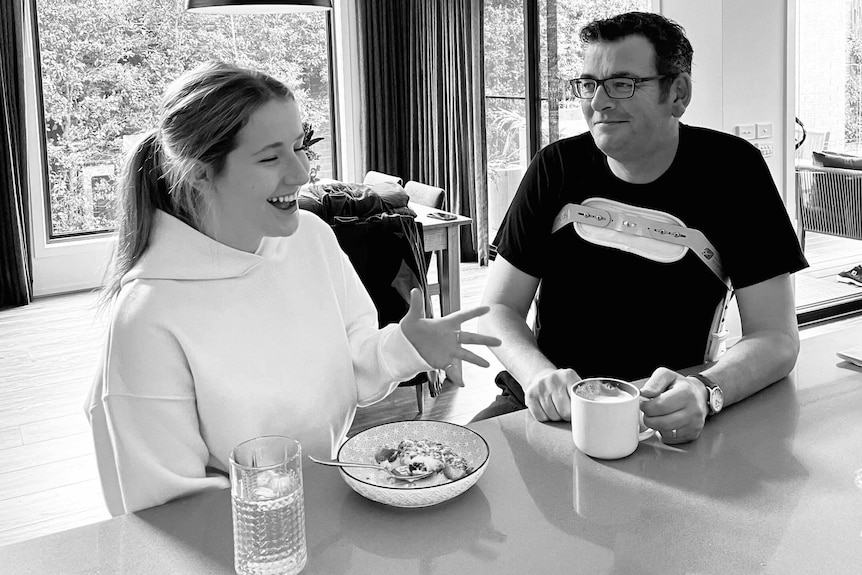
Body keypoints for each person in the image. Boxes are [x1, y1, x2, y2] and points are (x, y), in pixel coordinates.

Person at [85, 60, 500, 515]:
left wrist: (404, 346)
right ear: (201, 171)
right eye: (270, 157)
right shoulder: (147, 315)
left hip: (327, 498)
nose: (301, 173)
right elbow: (169, 512)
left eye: (301, 146)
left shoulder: (310, 237)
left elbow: (353, 362)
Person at [474, 12, 807, 444]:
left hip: (665, 413)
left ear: (678, 93)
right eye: (588, 84)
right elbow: (497, 310)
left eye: (622, 84)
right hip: (547, 408)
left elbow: (777, 337)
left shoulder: (732, 172)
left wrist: (706, 391)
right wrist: (541, 375)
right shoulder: (555, 168)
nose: (598, 102)